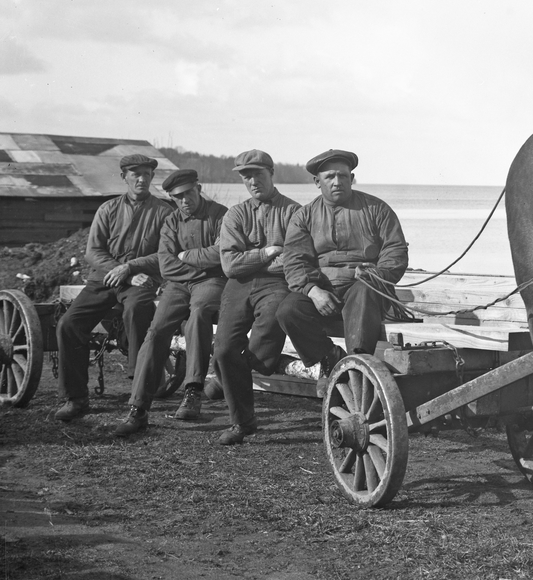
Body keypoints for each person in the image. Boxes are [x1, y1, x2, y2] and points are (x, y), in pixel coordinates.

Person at [54, 154, 174, 422]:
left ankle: (139, 392)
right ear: (124, 177)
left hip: (142, 281)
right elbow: (93, 251)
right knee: (68, 324)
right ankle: (76, 398)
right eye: (135, 174)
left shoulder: (165, 212)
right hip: (104, 279)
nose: (141, 179)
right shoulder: (107, 209)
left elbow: (166, 254)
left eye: (146, 174)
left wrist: (131, 268)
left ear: (152, 177)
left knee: (137, 311)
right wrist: (122, 272)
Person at [114, 169, 228, 437]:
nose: (184, 200)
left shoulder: (221, 215)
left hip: (211, 282)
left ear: (198, 189)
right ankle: (138, 408)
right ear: (173, 198)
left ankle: (193, 391)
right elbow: (166, 266)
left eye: (189, 193)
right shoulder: (171, 221)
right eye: (178, 197)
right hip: (178, 285)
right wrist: (199, 263)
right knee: (156, 332)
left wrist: (185, 256)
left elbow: (221, 255)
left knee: (199, 313)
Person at [277, 149, 408, 379]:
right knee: (288, 311)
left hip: (365, 289)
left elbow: (395, 250)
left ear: (352, 178)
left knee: (364, 291)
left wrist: (377, 273)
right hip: (324, 292)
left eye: (343, 176)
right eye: (329, 177)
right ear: (317, 182)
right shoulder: (303, 217)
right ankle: (331, 360)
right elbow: (295, 261)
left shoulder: (376, 209)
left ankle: (357, 366)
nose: (337, 182)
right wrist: (313, 291)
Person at [210, 150, 300, 445]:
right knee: (224, 349)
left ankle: (226, 377)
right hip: (238, 285)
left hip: (277, 284)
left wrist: (252, 260)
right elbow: (229, 265)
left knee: (269, 329)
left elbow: (293, 259)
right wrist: (266, 253)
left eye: (258, 174)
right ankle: (243, 423)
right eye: (246, 176)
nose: (252, 181)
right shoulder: (235, 214)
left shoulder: (294, 212)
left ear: (272, 173)